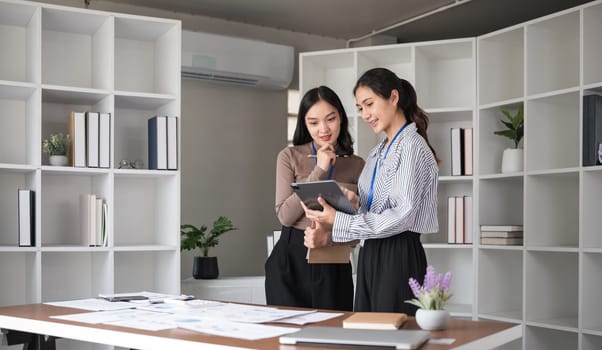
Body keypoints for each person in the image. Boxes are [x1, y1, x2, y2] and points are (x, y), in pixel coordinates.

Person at [302, 68, 439, 315]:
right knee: (367, 331)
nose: (365, 115)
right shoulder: (378, 152)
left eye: (369, 104)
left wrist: (339, 220)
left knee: (392, 335)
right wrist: (351, 202)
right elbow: (374, 207)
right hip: (370, 253)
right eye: (360, 108)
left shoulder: (412, 147)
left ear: (394, 98)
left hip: (398, 255)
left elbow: (401, 216)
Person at [265, 86, 365, 311]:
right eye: (313, 122)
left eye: (330, 119)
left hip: (334, 261)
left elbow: (359, 232)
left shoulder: (357, 164)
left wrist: (328, 240)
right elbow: (286, 216)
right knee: (288, 338)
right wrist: (319, 169)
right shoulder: (289, 156)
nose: (323, 129)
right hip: (290, 262)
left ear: (341, 117)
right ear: (304, 124)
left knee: (334, 339)